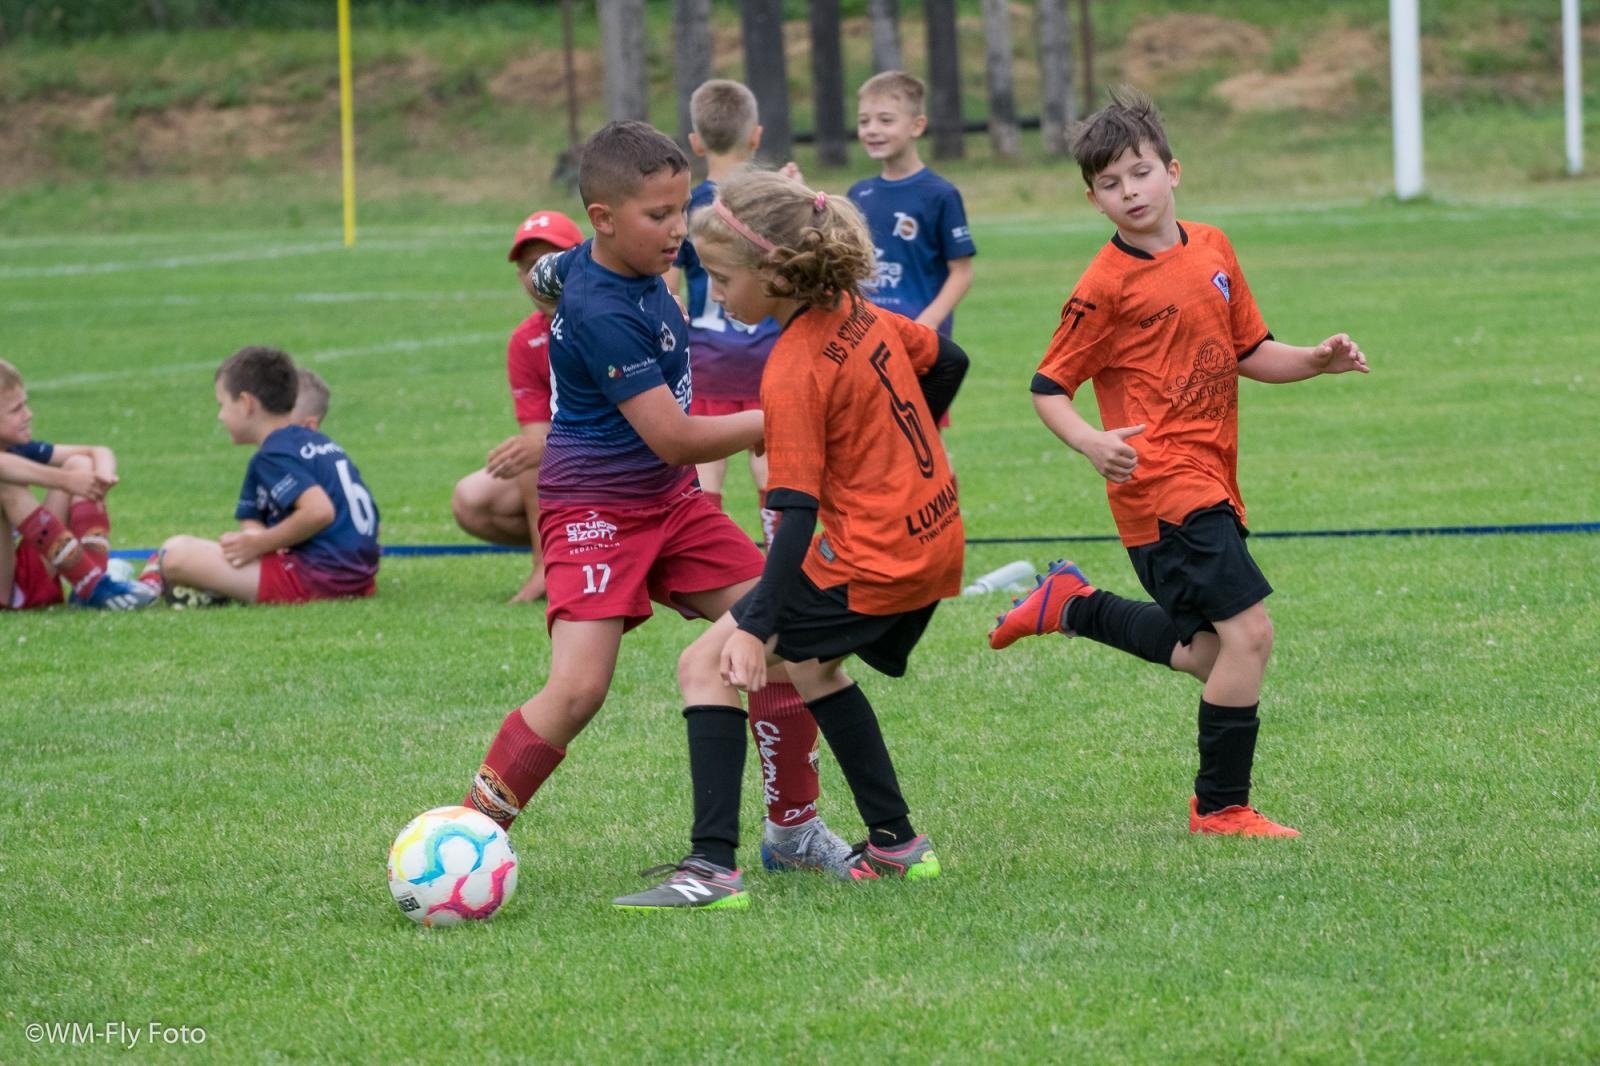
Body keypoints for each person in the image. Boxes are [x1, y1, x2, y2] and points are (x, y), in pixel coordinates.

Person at [461, 122, 854, 879]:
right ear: (604, 217)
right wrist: (787, 414)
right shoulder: (606, 309)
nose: (677, 229)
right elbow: (673, 436)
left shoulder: (596, 263)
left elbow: (552, 278)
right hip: (594, 511)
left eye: (680, 210)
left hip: (672, 506)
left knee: (785, 636)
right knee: (578, 689)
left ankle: (794, 833)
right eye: (659, 216)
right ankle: (469, 835)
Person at [988, 87, 1369, 837]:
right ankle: (1221, 808)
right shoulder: (1104, 287)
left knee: (1209, 654)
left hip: (1214, 478)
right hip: (1161, 488)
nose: (1129, 192)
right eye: (1109, 183)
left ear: (1173, 171)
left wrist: (1316, 361)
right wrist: (1092, 441)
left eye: (1139, 172)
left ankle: (1072, 604)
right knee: (1249, 637)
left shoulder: (1214, 246)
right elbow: (1048, 388)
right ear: (1093, 199)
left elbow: (1251, 351)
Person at [613, 169, 969, 910]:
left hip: (874, 556)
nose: (714, 296)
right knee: (811, 669)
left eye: (719, 278)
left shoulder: (794, 368)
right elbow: (951, 361)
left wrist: (754, 626)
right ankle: (898, 845)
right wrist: (902, 459)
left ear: (776, 274)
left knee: (704, 665)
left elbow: (796, 516)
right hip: (934, 536)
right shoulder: (858, 311)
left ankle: (711, 871)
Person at [671, 79, 842, 871]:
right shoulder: (758, 219)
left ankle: (742, 852)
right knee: (781, 643)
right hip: (744, 379)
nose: (711, 286)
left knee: (767, 644)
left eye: (720, 276)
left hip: (726, 376)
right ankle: (805, 834)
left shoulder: (725, 221)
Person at [153, 346, 380, 606]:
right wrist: (253, 541)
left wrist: (259, 544)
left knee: (176, 554)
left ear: (247, 404)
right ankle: (215, 587)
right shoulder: (315, 443)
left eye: (223, 404)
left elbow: (320, 512)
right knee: (219, 552)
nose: (220, 415)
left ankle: (168, 585)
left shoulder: (274, 455)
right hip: (358, 579)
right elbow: (252, 519)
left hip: (316, 579)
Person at [450, 210, 586, 603]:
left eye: (549, 262)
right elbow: (536, 439)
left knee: (536, 452)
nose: (538, 275)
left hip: (634, 462)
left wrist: (544, 447)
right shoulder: (525, 341)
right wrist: (538, 448)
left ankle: (597, 552)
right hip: (575, 464)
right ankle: (556, 562)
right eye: (529, 267)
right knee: (472, 500)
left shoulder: (609, 321)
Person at [848, 70, 976, 425]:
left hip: (918, 342)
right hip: (866, 338)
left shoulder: (940, 194)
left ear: (917, 126)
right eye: (864, 121)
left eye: (885, 120)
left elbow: (961, 272)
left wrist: (929, 322)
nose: (872, 129)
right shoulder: (859, 194)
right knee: (867, 435)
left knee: (921, 438)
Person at [0, 358, 156, 610]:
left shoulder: (17, 448)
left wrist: (101, 474)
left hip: (21, 580)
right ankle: (93, 584)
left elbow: (96, 451)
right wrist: (66, 481)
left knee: (79, 464)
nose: (28, 414)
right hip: (4, 594)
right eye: (16, 409)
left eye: (25, 404)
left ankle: (92, 585)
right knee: (6, 484)